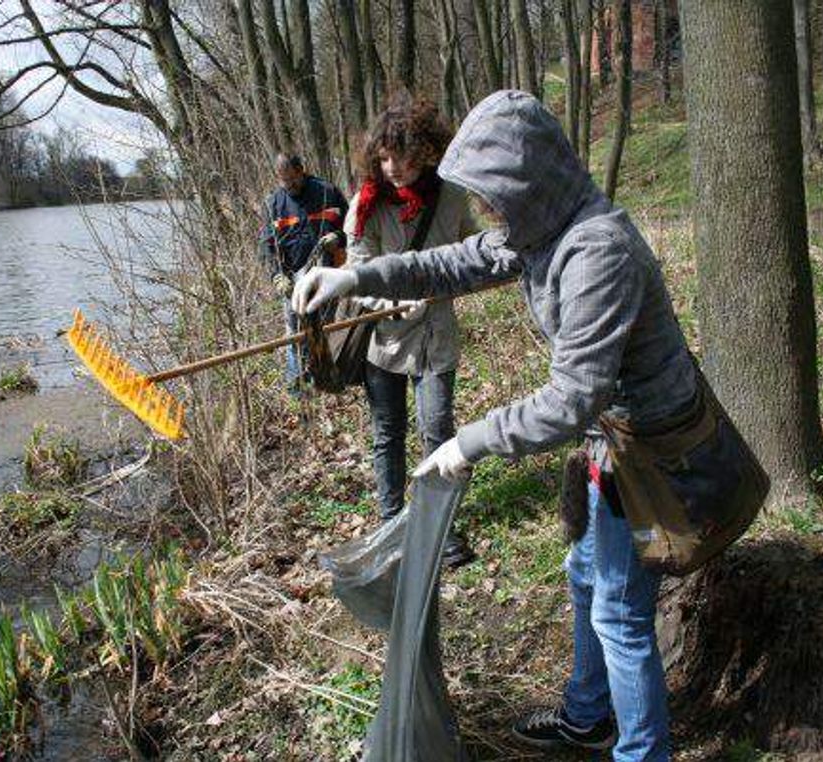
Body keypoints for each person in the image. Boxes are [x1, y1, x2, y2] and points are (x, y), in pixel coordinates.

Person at [294, 90, 694, 761]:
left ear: (528, 180)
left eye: (492, 194)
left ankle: (642, 752)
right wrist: (354, 282)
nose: (485, 211)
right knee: (586, 574)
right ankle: (590, 715)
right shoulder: (544, 228)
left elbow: (571, 398)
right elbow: (451, 263)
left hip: (650, 445)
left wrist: (466, 442)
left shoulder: (597, 250)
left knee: (620, 613)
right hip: (614, 435)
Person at [345, 95, 479, 567]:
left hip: (436, 338)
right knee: (388, 433)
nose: (392, 167)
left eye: (401, 156)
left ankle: (439, 530)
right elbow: (356, 273)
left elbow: (473, 254)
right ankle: (390, 526)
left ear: (425, 151)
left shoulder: (453, 195)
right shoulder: (366, 205)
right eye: (383, 158)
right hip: (384, 343)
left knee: (437, 430)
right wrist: (388, 304)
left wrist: (448, 283)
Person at [259, 153, 348, 393]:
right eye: (283, 181)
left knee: (324, 329)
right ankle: (297, 389)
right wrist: (277, 276)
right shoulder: (273, 204)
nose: (289, 186)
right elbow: (267, 246)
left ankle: (325, 381)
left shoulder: (328, 192)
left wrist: (339, 237)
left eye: (293, 180)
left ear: (302, 170)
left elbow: (352, 227)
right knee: (295, 333)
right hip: (292, 279)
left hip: (326, 274)